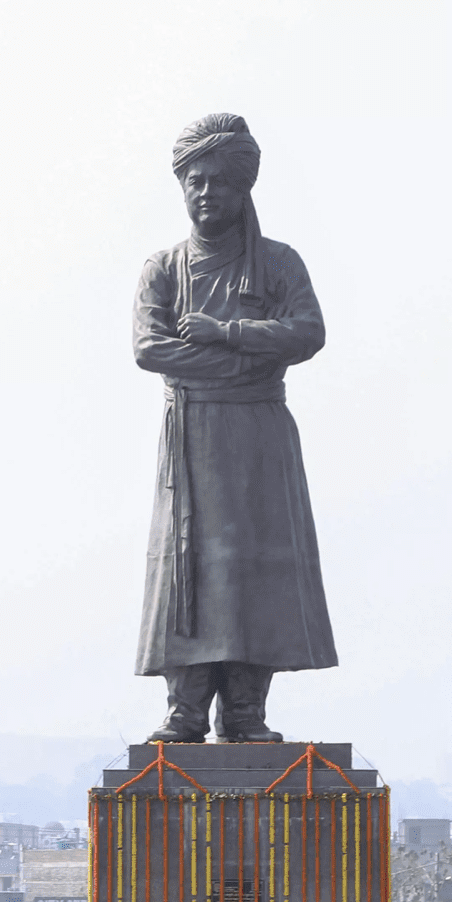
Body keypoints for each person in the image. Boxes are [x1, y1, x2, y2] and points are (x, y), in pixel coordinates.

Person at [134, 113, 337, 743]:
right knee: (191, 565)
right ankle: (186, 709)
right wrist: (249, 360)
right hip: (192, 438)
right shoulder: (164, 268)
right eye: (195, 180)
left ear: (242, 187)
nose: (206, 192)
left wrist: (227, 332)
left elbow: (307, 333)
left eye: (219, 181)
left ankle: (246, 711)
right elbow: (150, 349)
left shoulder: (278, 264)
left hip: (259, 437)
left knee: (255, 569)